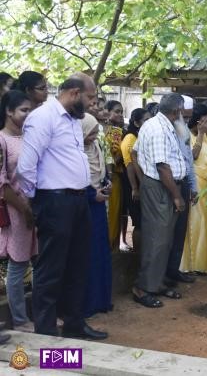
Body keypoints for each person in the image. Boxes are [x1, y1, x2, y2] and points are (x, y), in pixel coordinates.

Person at [17, 74, 107, 339]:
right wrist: (37, 201)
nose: (92, 104)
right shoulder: (43, 117)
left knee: (78, 266)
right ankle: (45, 333)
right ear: (75, 93)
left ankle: (74, 325)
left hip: (78, 200)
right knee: (51, 269)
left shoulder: (73, 120)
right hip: (54, 201)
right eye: (90, 98)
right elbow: (26, 167)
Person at [133, 93, 186, 308]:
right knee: (157, 239)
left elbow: (136, 152)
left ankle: (156, 282)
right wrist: (176, 196)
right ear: (177, 110)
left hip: (162, 186)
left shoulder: (161, 125)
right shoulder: (158, 129)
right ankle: (143, 288)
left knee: (165, 240)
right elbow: (162, 167)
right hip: (161, 188)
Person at [0, 91, 36, 332]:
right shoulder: (1, 140)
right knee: (18, 264)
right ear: (8, 111)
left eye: (30, 109)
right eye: (24, 110)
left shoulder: (29, 137)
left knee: (39, 262)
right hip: (17, 211)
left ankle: (41, 314)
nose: (28, 114)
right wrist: (24, 210)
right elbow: (2, 185)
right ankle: (21, 320)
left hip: (36, 208)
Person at [81, 113, 113, 318]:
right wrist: (92, 195)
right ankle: (88, 303)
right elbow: (75, 183)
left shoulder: (96, 147)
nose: (93, 137)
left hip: (99, 206)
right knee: (88, 254)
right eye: (90, 134)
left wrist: (106, 183)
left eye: (95, 133)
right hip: (84, 207)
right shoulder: (75, 152)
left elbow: (101, 172)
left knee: (101, 251)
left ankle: (102, 300)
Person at [165, 95, 199, 286]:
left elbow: (189, 162)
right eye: (183, 117)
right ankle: (163, 275)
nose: (186, 121)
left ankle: (173, 271)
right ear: (176, 113)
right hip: (165, 186)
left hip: (183, 184)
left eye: (188, 117)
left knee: (180, 231)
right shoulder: (160, 129)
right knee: (165, 234)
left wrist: (193, 186)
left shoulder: (183, 131)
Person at [180, 104, 207, 274]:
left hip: (206, 184)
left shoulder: (205, 135)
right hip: (194, 183)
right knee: (195, 222)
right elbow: (193, 155)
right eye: (206, 118)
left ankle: (203, 264)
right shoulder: (186, 135)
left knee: (206, 222)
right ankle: (192, 264)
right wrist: (201, 134)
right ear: (197, 120)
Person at [120, 108, 151, 252]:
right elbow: (130, 165)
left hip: (140, 181)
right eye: (146, 120)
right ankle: (138, 255)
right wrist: (135, 188)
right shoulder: (130, 138)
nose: (149, 122)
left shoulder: (139, 136)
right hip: (134, 184)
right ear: (137, 123)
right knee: (139, 222)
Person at [104, 100, 127, 251]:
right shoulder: (103, 130)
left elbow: (118, 156)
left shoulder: (118, 131)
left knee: (114, 213)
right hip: (104, 176)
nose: (120, 114)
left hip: (115, 177)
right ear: (107, 111)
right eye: (117, 111)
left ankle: (112, 247)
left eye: (121, 112)